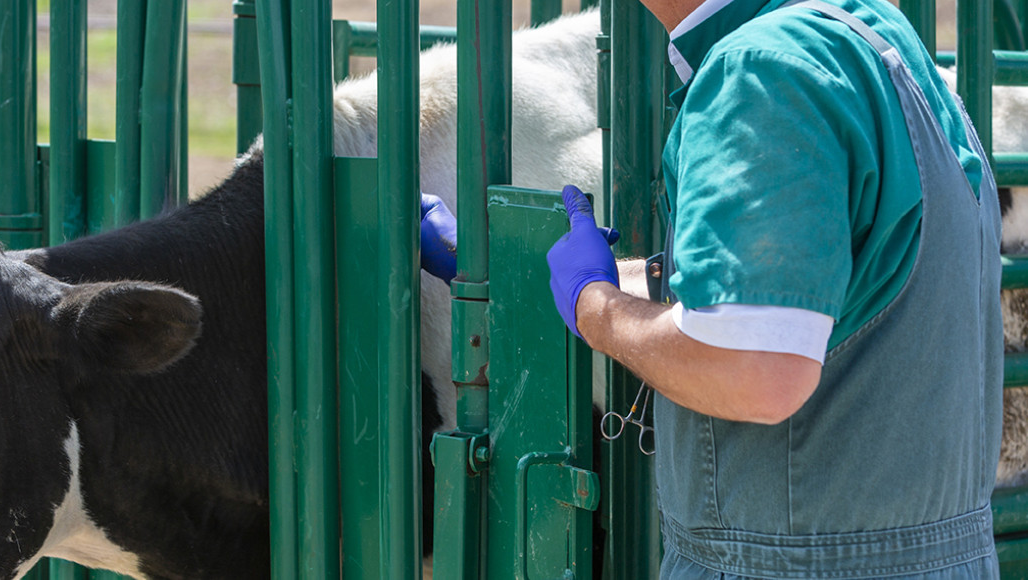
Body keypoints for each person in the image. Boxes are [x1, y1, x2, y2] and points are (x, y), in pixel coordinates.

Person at [423, 0, 1004, 576]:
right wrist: (520, 273)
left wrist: (594, 307)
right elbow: (794, 298)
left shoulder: (760, 72)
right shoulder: (868, 35)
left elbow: (756, 370)